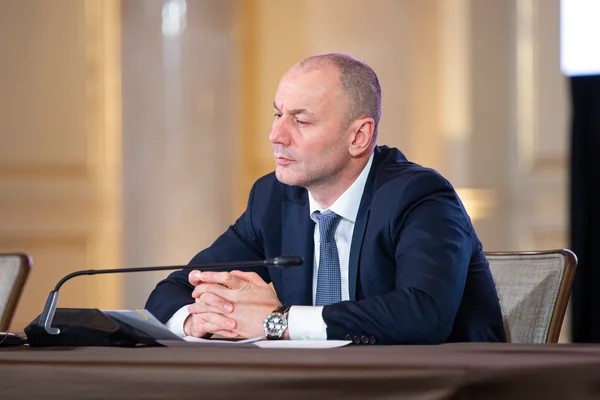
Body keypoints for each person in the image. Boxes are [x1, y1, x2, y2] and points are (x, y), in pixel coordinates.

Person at [145, 53, 506, 344]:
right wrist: (198, 320)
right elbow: (174, 290)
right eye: (277, 114)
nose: (276, 135)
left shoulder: (419, 197)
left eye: (301, 121)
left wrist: (278, 321)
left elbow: (422, 314)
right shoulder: (273, 199)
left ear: (359, 137)